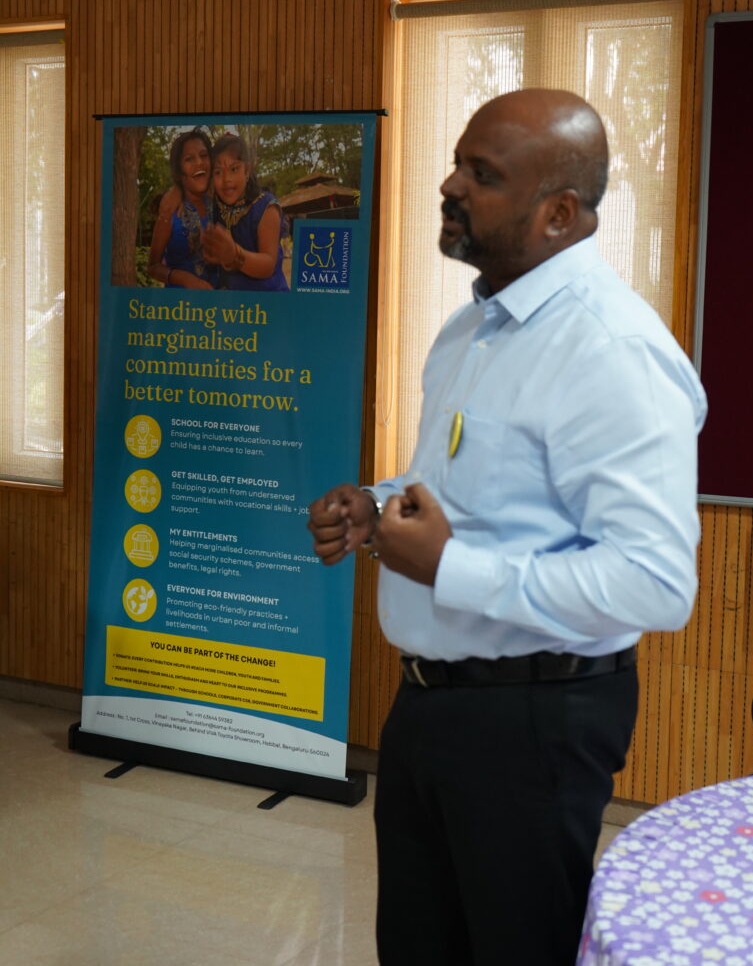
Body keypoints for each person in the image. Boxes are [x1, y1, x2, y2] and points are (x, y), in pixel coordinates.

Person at [307, 89, 707, 966]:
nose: (449, 185)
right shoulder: (471, 329)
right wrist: (376, 504)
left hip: (533, 723)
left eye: (481, 175)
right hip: (428, 705)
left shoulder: (611, 351)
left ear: (559, 213)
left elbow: (656, 583)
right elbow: (466, 486)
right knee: (417, 946)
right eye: (457, 162)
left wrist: (451, 567)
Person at [202, 132, 289, 291]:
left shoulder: (266, 207)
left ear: (247, 170)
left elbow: (268, 265)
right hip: (231, 303)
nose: (226, 179)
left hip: (267, 300)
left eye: (234, 169)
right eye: (218, 172)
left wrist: (234, 255)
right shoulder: (214, 206)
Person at [147, 127, 218, 289]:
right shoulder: (170, 210)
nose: (199, 162)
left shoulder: (220, 204)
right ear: (179, 172)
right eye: (189, 159)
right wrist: (183, 279)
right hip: (180, 303)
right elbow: (152, 267)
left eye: (203, 155)